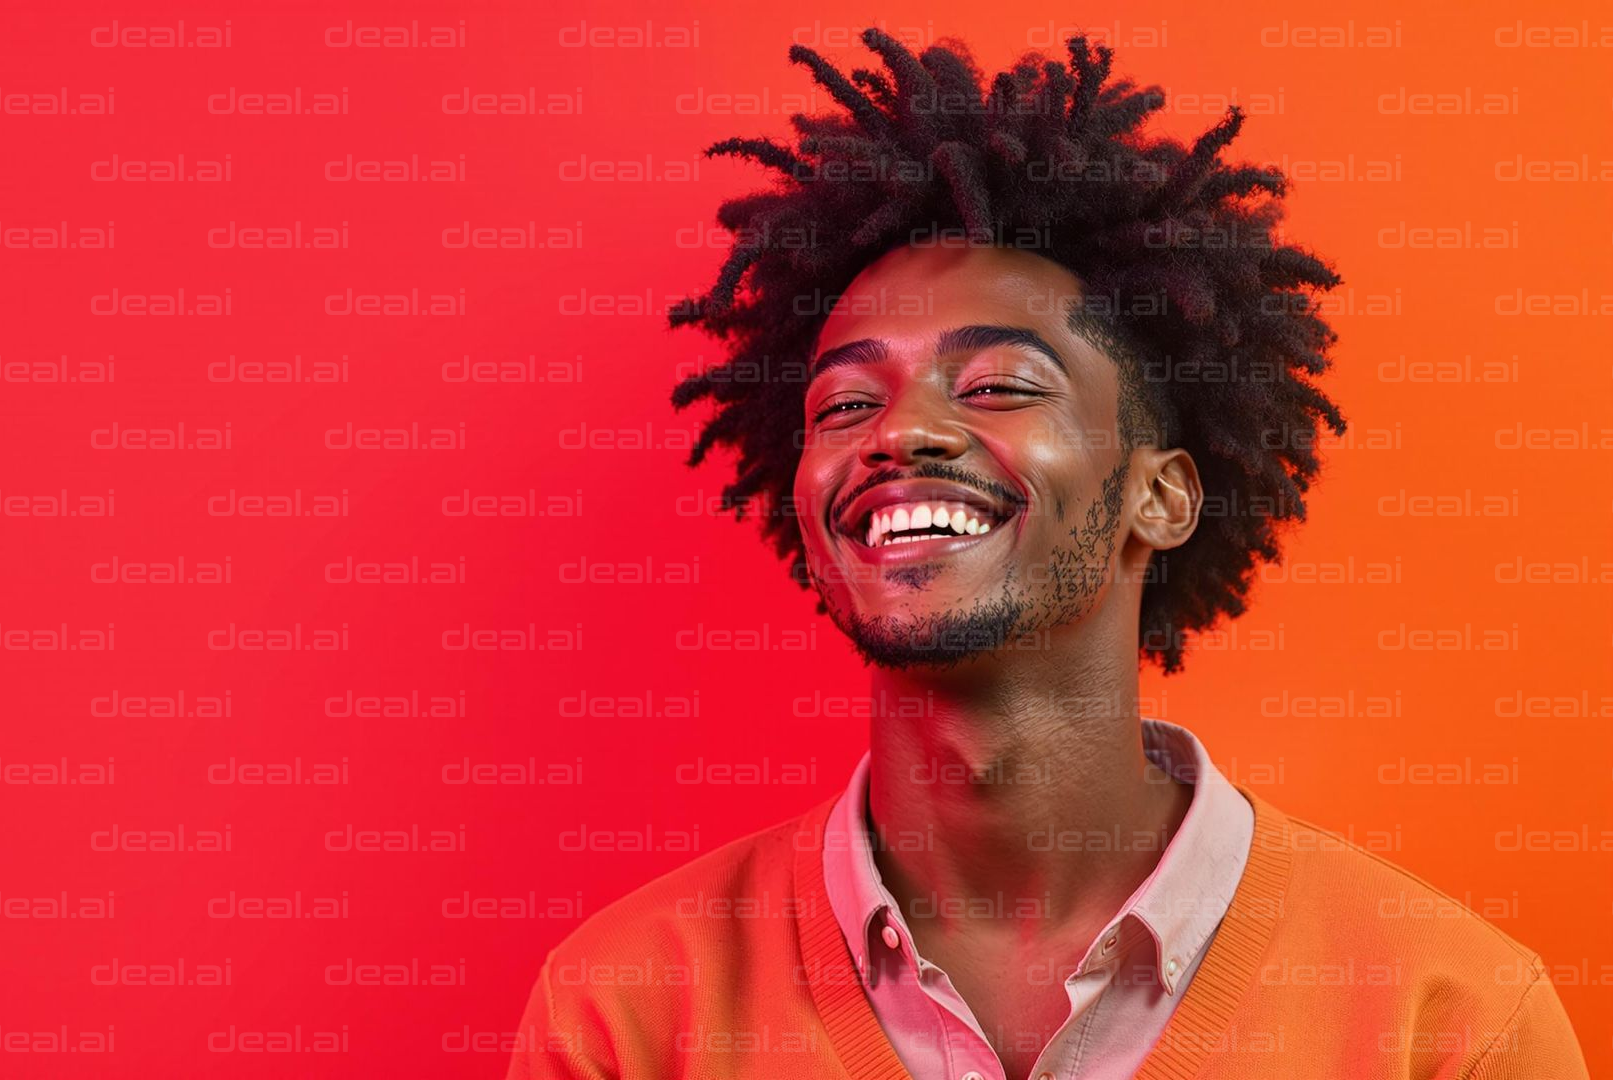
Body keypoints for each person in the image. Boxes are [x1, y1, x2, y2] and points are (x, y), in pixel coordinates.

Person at [506, 30, 1588, 1079]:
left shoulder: (1446, 1021)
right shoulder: (627, 1012)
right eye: (843, 403)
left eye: (999, 387)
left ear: (1159, 498)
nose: (898, 435)